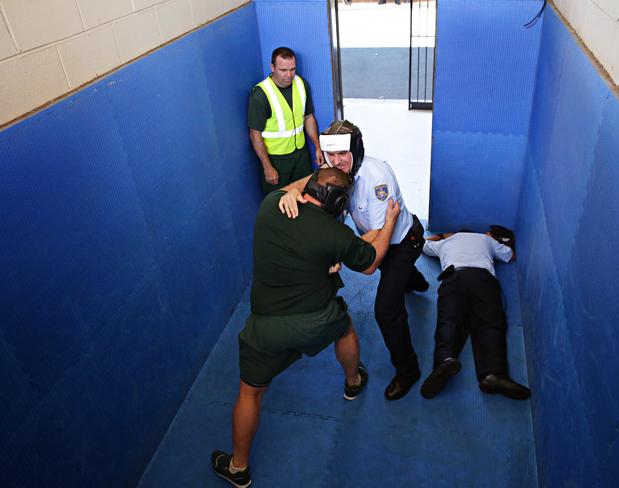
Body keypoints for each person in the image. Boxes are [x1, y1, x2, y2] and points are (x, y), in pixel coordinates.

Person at [211, 167, 401, 487]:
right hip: (318, 320)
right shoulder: (335, 234)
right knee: (345, 328)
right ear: (339, 202)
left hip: (265, 327)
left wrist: (297, 187)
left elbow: (297, 188)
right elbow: (369, 263)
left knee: (250, 393)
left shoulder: (272, 204)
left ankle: (238, 467)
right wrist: (390, 220)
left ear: (307, 188)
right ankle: (353, 382)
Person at [279, 120, 429, 401]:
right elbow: (312, 185)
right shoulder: (333, 170)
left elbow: (377, 236)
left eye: (342, 155)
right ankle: (415, 281)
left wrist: (338, 254)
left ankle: (409, 372)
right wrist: (290, 192)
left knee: (386, 310)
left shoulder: (376, 178)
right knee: (402, 281)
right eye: (331, 155)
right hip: (377, 238)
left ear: (356, 151)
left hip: (400, 243)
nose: (336, 162)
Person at [419, 227, 531, 400]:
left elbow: (424, 245)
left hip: (453, 278)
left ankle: (444, 361)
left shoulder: (446, 242)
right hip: (483, 280)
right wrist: (495, 242)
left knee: (448, 321)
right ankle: (494, 374)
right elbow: (510, 255)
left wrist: (442, 236)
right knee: (490, 324)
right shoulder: (485, 240)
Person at [248, 46, 325, 194]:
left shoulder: (301, 84)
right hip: (276, 160)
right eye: (283, 70)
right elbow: (254, 134)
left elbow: (308, 117)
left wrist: (317, 146)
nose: (289, 75)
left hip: (301, 155)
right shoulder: (260, 95)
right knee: (279, 202)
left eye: (292, 69)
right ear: (272, 67)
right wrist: (267, 167)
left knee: (305, 196)